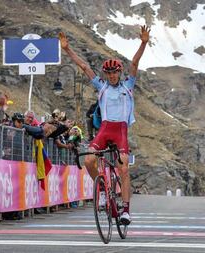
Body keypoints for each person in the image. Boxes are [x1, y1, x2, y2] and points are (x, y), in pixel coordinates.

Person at [59, 25, 150, 225]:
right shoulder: (102, 86)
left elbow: (134, 62)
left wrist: (143, 43)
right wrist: (67, 49)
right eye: (108, 73)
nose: (111, 76)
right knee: (89, 161)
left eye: (114, 73)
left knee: (124, 169)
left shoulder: (128, 85)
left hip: (121, 130)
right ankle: (101, 191)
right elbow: (84, 67)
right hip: (105, 128)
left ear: (119, 72)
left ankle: (126, 210)